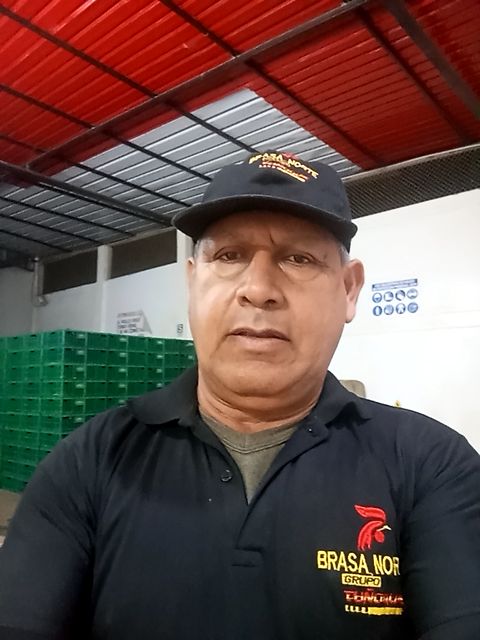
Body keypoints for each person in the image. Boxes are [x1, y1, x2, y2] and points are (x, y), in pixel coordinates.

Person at [0, 151, 479, 640]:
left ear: (349, 289)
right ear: (192, 281)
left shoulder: (431, 466)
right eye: (229, 256)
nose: (258, 289)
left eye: (299, 258)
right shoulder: (88, 463)